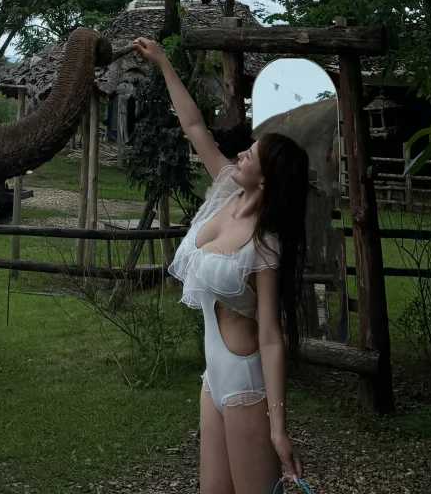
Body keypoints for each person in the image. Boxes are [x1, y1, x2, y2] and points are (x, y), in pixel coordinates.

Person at [132, 37, 309, 494]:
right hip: (213, 377)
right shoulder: (226, 190)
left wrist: (278, 427)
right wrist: (163, 63)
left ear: (267, 179)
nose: (243, 151)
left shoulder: (265, 244)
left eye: (254, 153)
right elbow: (193, 126)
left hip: (246, 383)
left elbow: (271, 335)